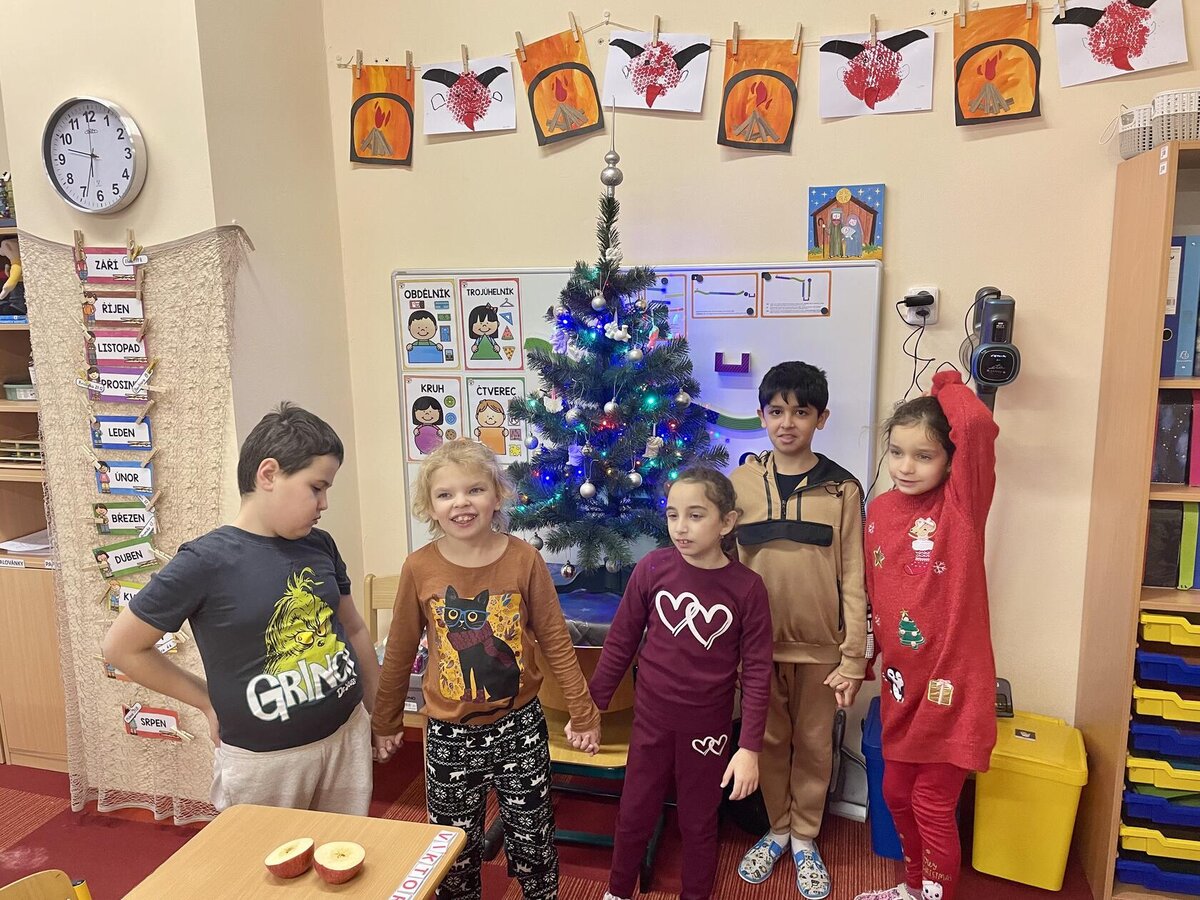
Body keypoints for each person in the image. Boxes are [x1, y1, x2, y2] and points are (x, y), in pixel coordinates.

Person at [101, 403, 379, 815]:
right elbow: (121, 648)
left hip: (346, 736)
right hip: (265, 763)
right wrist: (206, 700)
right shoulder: (204, 561)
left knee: (345, 848)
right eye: (316, 488)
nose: (324, 503)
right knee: (267, 854)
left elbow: (352, 628)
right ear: (268, 474)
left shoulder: (320, 545)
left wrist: (377, 713)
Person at [372, 439, 600, 900]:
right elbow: (399, 650)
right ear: (429, 506)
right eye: (446, 494)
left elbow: (556, 641)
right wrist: (386, 720)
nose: (461, 503)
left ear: (497, 496)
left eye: (474, 490)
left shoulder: (524, 559)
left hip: (520, 728)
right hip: (449, 736)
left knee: (534, 839)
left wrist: (583, 711)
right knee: (452, 850)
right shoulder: (419, 567)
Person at [590, 467, 773, 900]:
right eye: (673, 515)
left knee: (698, 822)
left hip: (707, 730)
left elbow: (758, 672)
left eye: (695, 515)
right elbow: (621, 642)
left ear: (726, 522)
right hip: (651, 721)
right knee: (634, 813)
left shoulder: (747, 588)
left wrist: (749, 748)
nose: (681, 527)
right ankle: (618, 891)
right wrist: (590, 708)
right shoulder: (652, 568)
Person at [853, 370, 999, 900]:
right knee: (896, 794)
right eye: (896, 452)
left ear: (951, 462)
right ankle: (914, 889)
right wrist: (862, 660)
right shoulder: (880, 510)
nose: (905, 466)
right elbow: (875, 592)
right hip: (902, 687)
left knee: (932, 804)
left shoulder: (961, 505)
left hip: (952, 687)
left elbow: (975, 425)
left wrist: (946, 386)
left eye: (924, 455)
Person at [729, 361, 870, 900]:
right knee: (766, 742)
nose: (787, 423)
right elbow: (721, 571)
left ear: (821, 418)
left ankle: (806, 836)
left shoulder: (843, 488)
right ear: (761, 415)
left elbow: (854, 576)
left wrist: (853, 657)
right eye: (777, 411)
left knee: (813, 744)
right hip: (756, 650)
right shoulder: (738, 485)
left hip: (822, 652)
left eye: (801, 412)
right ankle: (778, 829)